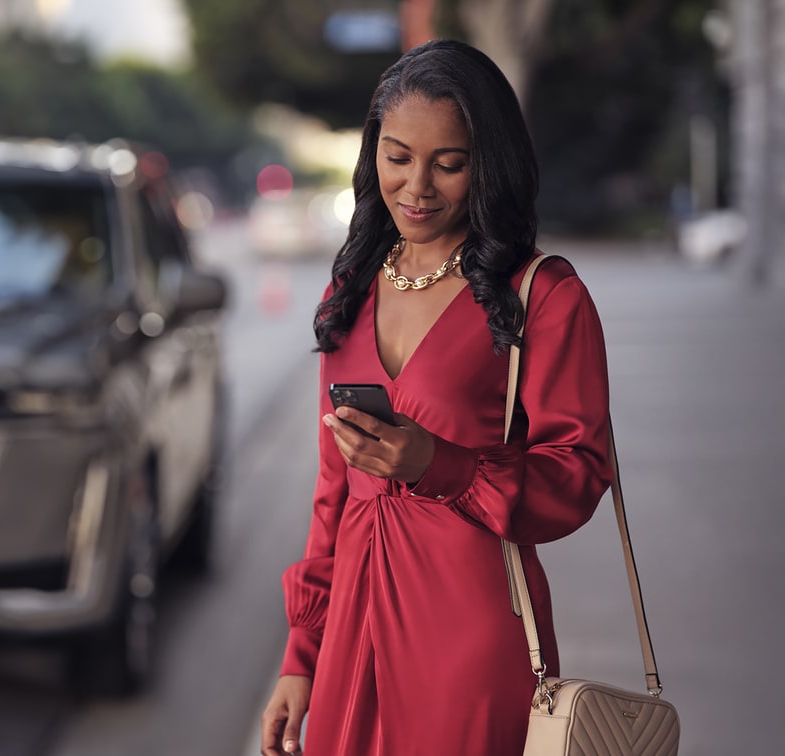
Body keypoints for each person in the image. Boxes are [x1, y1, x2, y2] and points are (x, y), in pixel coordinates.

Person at [260, 39, 612, 756]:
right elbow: (334, 489)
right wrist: (302, 655)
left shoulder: (541, 294)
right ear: (373, 154)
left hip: (471, 629)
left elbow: (579, 471)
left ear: (489, 165)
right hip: (352, 624)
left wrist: (440, 465)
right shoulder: (350, 288)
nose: (417, 187)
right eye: (397, 157)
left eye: (448, 164)